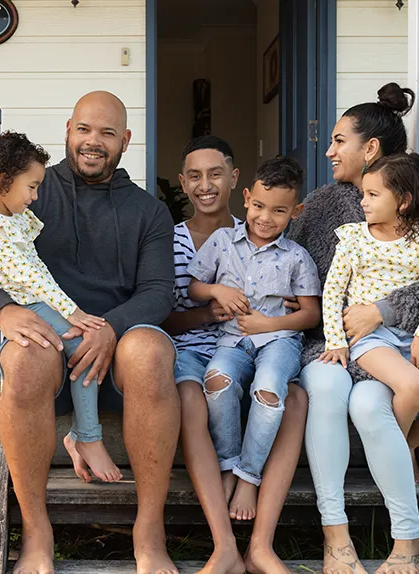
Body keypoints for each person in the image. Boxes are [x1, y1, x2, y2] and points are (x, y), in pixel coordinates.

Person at [0, 91, 181, 574]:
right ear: (69, 130)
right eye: (85, 130)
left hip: (117, 353)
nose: (93, 142)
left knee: (152, 351)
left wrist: (110, 329)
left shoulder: (149, 211)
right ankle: (36, 532)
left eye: (107, 133)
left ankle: (149, 531)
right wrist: (3, 311)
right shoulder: (31, 188)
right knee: (25, 357)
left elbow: (159, 293)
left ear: (125, 141)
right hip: (50, 348)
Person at [286, 83, 419, 574]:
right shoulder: (321, 207)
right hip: (329, 344)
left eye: (339, 140)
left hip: (397, 346)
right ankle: (336, 537)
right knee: (325, 386)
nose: (328, 150)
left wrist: (382, 311)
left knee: (371, 403)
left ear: (370, 148)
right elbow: (293, 269)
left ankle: (406, 540)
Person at [161, 136, 311, 574]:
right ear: (183, 183)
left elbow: (307, 310)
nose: (205, 185)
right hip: (200, 351)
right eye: (194, 176)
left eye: (215, 174)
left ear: (235, 180)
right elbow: (165, 317)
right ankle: (224, 545)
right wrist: (212, 307)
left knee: (295, 399)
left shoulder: (285, 247)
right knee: (194, 394)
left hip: (261, 351)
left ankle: (261, 543)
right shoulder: (169, 240)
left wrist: (279, 320)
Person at [0, 131, 122, 483]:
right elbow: (33, 278)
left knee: (86, 347)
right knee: (85, 347)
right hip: (30, 303)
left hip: (41, 298)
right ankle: (87, 437)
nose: (35, 196)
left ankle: (82, 435)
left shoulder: (11, 216)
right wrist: (73, 312)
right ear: (3, 181)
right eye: (31, 187)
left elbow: (36, 263)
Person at [187, 157, 321, 521]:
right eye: (259, 206)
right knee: (216, 380)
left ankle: (248, 475)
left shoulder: (297, 257)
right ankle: (228, 464)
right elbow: (194, 287)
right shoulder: (222, 241)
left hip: (279, 343)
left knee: (267, 391)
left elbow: (311, 314)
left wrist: (268, 325)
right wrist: (216, 290)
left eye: (279, 210)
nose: (266, 217)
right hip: (231, 341)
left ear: (296, 211)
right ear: (246, 197)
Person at [319, 153, 419, 463]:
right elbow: (332, 292)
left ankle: (403, 445)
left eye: (373, 195)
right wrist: (335, 340)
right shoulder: (354, 238)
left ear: (403, 201)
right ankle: (396, 461)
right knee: (413, 386)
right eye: (364, 194)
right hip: (370, 340)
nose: (364, 202)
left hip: (410, 338)